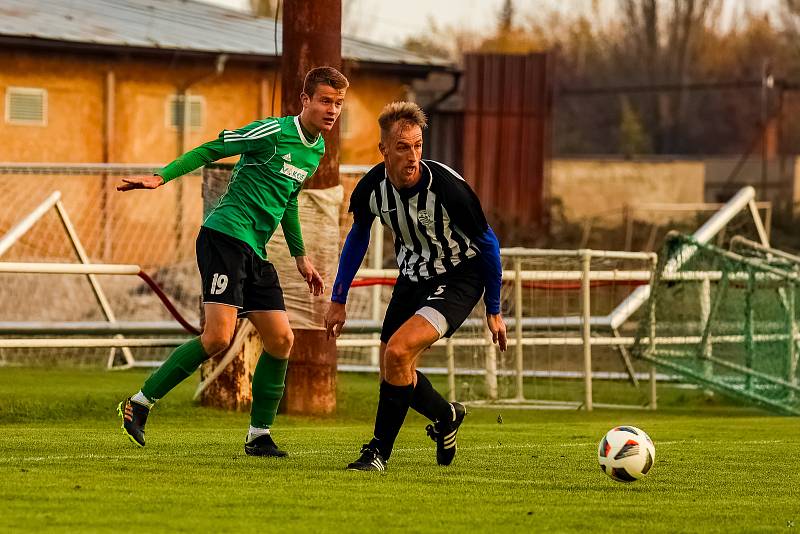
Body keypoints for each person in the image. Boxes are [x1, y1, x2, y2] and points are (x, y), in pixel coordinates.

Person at [117, 66, 348, 457]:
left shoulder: (316, 150)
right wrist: (162, 177)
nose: (332, 110)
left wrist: (300, 257)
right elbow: (214, 148)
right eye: (325, 100)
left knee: (281, 340)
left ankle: (258, 435)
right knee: (218, 338)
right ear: (305, 100)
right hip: (224, 236)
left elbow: (288, 199)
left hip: (255, 251)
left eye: (339, 104)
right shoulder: (273, 132)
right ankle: (139, 403)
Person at [324, 101, 507, 471]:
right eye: (404, 147)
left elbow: (488, 244)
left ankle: (377, 452)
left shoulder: (448, 188)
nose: (413, 155)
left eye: (418, 145)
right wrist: (338, 298)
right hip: (412, 278)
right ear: (384, 150)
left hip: (459, 277)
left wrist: (494, 309)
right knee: (392, 369)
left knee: (398, 352)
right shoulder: (372, 188)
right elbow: (358, 238)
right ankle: (446, 416)